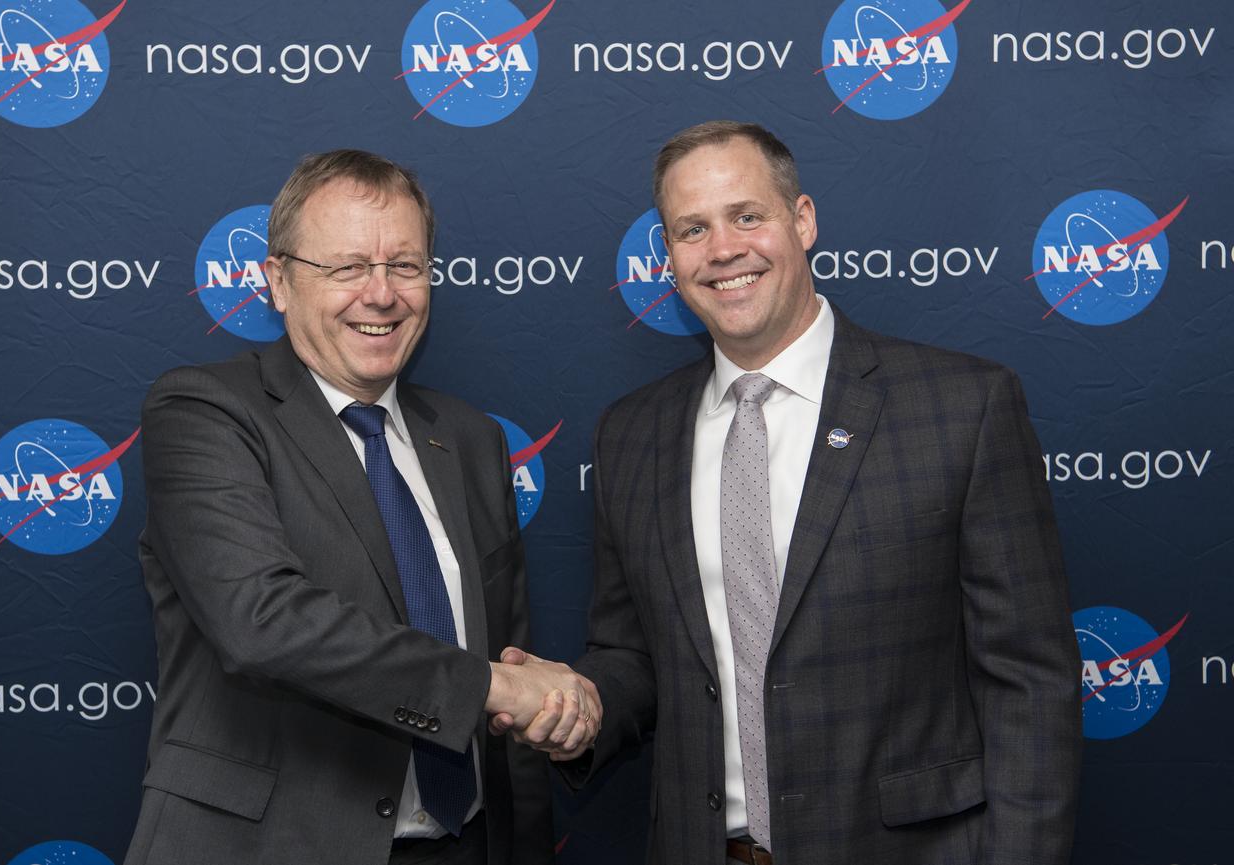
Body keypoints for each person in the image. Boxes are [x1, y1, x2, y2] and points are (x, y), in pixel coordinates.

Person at [501, 121, 1082, 864]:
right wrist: (573, 703)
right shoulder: (631, 435)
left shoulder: (962, 408)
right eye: (692, 229)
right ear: (669, 258)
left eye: (748, 216)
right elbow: (637, 657)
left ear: (802, 222)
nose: (723, 249)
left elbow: (1030, 681)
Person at [125, 149, 599, 865]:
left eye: (404, 266)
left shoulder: (470, 439)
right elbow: (261, 620)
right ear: (278, 282)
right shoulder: (204, 410)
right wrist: (495, 685)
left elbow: (505, 674)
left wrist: (543, 716)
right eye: (346, 267)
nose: (380, 294)